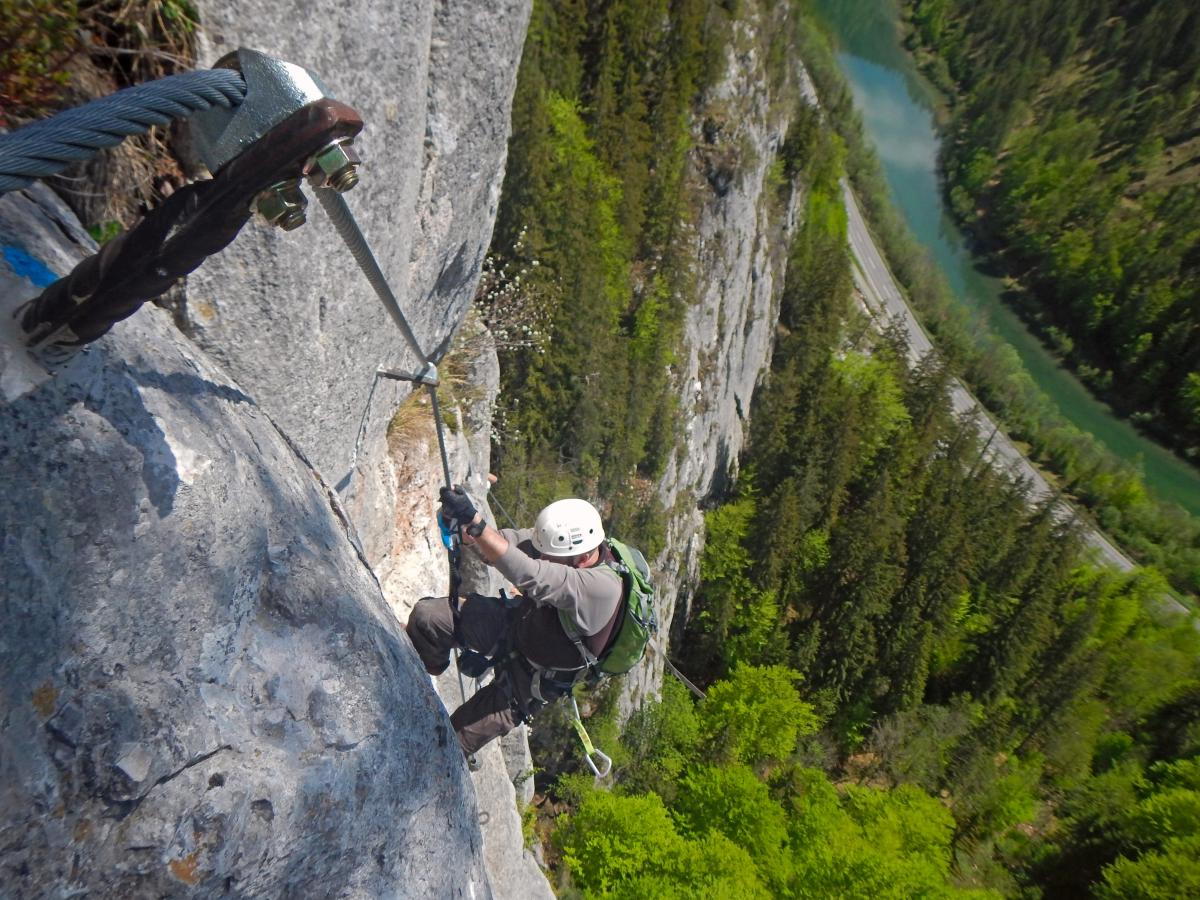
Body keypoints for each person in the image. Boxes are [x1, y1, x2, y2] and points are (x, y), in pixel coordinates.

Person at [405, 487, 625, 756]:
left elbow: (531, 573)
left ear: (581, 559)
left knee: (447, 746)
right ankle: (420, 676)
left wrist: (475, 524)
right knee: (427, 618)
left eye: (549, 557)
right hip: (517, 626)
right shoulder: (561, 548)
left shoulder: (600, 588)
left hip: (530, 680)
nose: (541, 556)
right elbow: (507, 546)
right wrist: (465, 529)